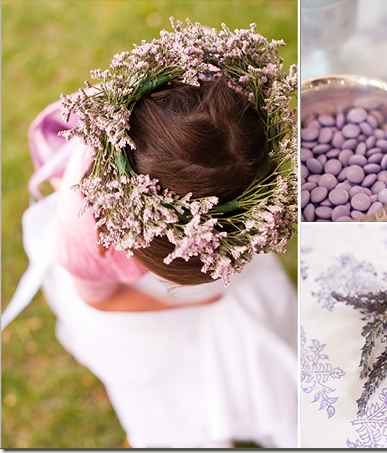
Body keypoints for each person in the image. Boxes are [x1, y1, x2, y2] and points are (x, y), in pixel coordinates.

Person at [5, 19, 298, 448]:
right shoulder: (87, 243)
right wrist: (197, 304)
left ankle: (262, 404)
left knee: (251, 327)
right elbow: (100, 298)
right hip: (134, 306)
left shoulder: (194, 114)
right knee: (174, 377)